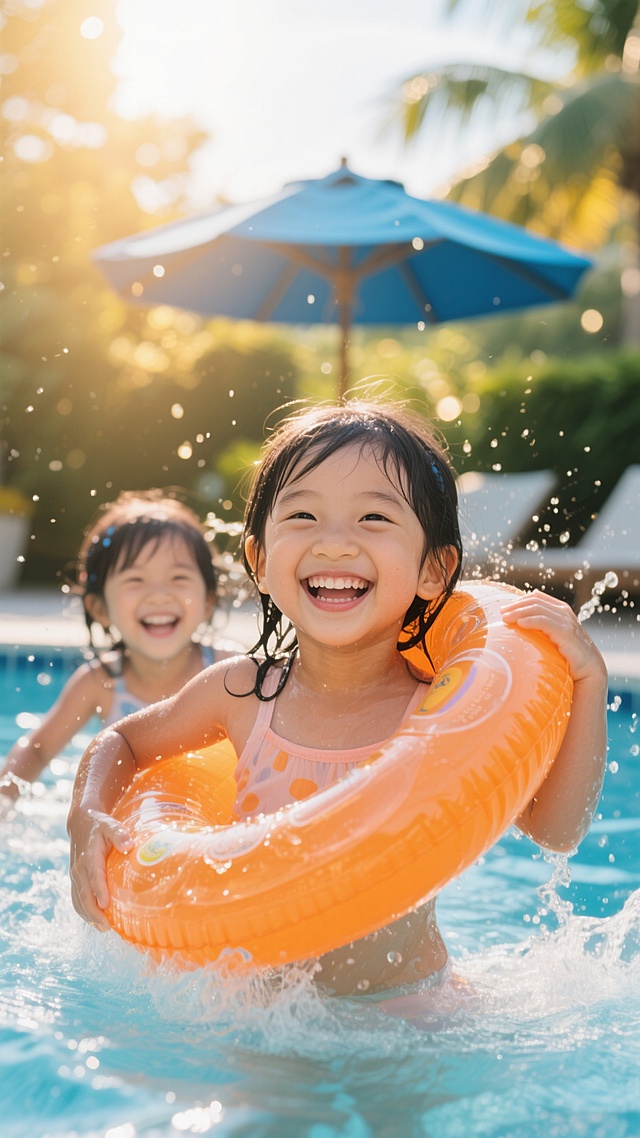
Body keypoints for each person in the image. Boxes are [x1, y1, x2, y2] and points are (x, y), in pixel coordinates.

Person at [67, 401, 608, 1014]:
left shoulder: (436, 711)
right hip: (266, 1011)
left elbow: (557, 832)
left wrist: (589, 681)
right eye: (303, 514)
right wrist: (86, 815)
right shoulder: (241, 693)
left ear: (436, 570)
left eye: (374, 516)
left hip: (407, 1006)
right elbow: (123, 742)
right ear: (261, 563)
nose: (335, 543)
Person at [1, 490, 230, 802]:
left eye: (178, 577)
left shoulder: (227, 674)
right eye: (136, 580)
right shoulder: (102, 682)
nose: (159, 595)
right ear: (100, 609)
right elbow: (38, 751)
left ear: (208, 601)